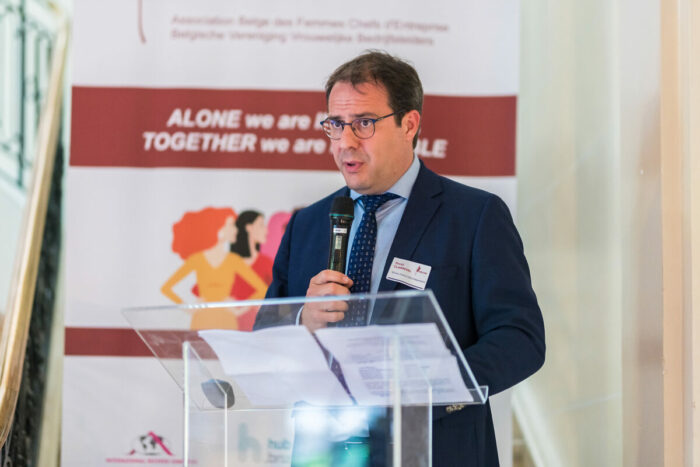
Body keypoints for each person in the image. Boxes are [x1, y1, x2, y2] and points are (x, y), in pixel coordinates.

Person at [256, 51, 545, 466]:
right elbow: (265, 333)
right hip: (326, 452)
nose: (346, 142)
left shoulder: (474, 216)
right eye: (335, 125)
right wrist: (304, 318)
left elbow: (520, 340)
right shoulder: (308, 224)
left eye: (364, 123)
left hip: (434, 448)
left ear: (409, 124)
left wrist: (428, 385)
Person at [161, 207, 268, 330]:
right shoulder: (198, 259)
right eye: (232, 225)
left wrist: (240, 308)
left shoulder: (233, 260)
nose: (236, 230)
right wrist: (188, 308)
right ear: (220, 228)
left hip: (227, 320)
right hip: (201, 319)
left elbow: (262, 289)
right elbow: (166, 288)